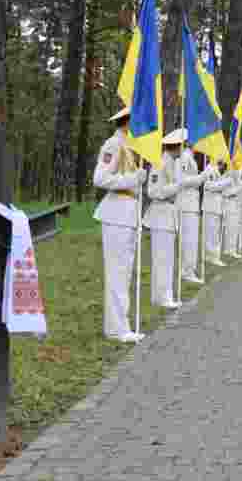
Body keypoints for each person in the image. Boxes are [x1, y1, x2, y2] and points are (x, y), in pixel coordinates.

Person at [92, 105, 148, 343]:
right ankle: (116, 328)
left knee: (124, 273)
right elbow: (99, 178)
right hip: (116, 214)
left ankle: (121, 324)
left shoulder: (130, 146)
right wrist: (132, 179)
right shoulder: (113, 144)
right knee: (117, 273)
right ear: (127, 122)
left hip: (128, 214)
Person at [145, 129, 185, 309]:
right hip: (160, 214)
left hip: (168, 214)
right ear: (175, 147)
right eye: (181, 146)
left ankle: (162, 295)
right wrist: (176, 187)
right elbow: (153, 191)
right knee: (162, 258)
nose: (183, 150)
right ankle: (163, 297)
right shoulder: (160, 163)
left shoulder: (171, 163)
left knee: (167, 258)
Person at [175, 138, 208, 284]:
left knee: (191, 239)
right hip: (186, 202)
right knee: (189, 239)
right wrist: (201, 177)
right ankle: (187, 270)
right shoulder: (185, 157)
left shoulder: (190, 157)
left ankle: (188, 269)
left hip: (191, 202)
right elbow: (181, 180)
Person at [203, 159, 229, 266]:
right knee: (211, 233)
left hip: (217, 206)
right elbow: (209, 186)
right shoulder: (210, 168)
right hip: (210, 206)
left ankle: (213, 255)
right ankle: (211, 256)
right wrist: (225, 182)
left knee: (215, 233)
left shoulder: (219, 171)